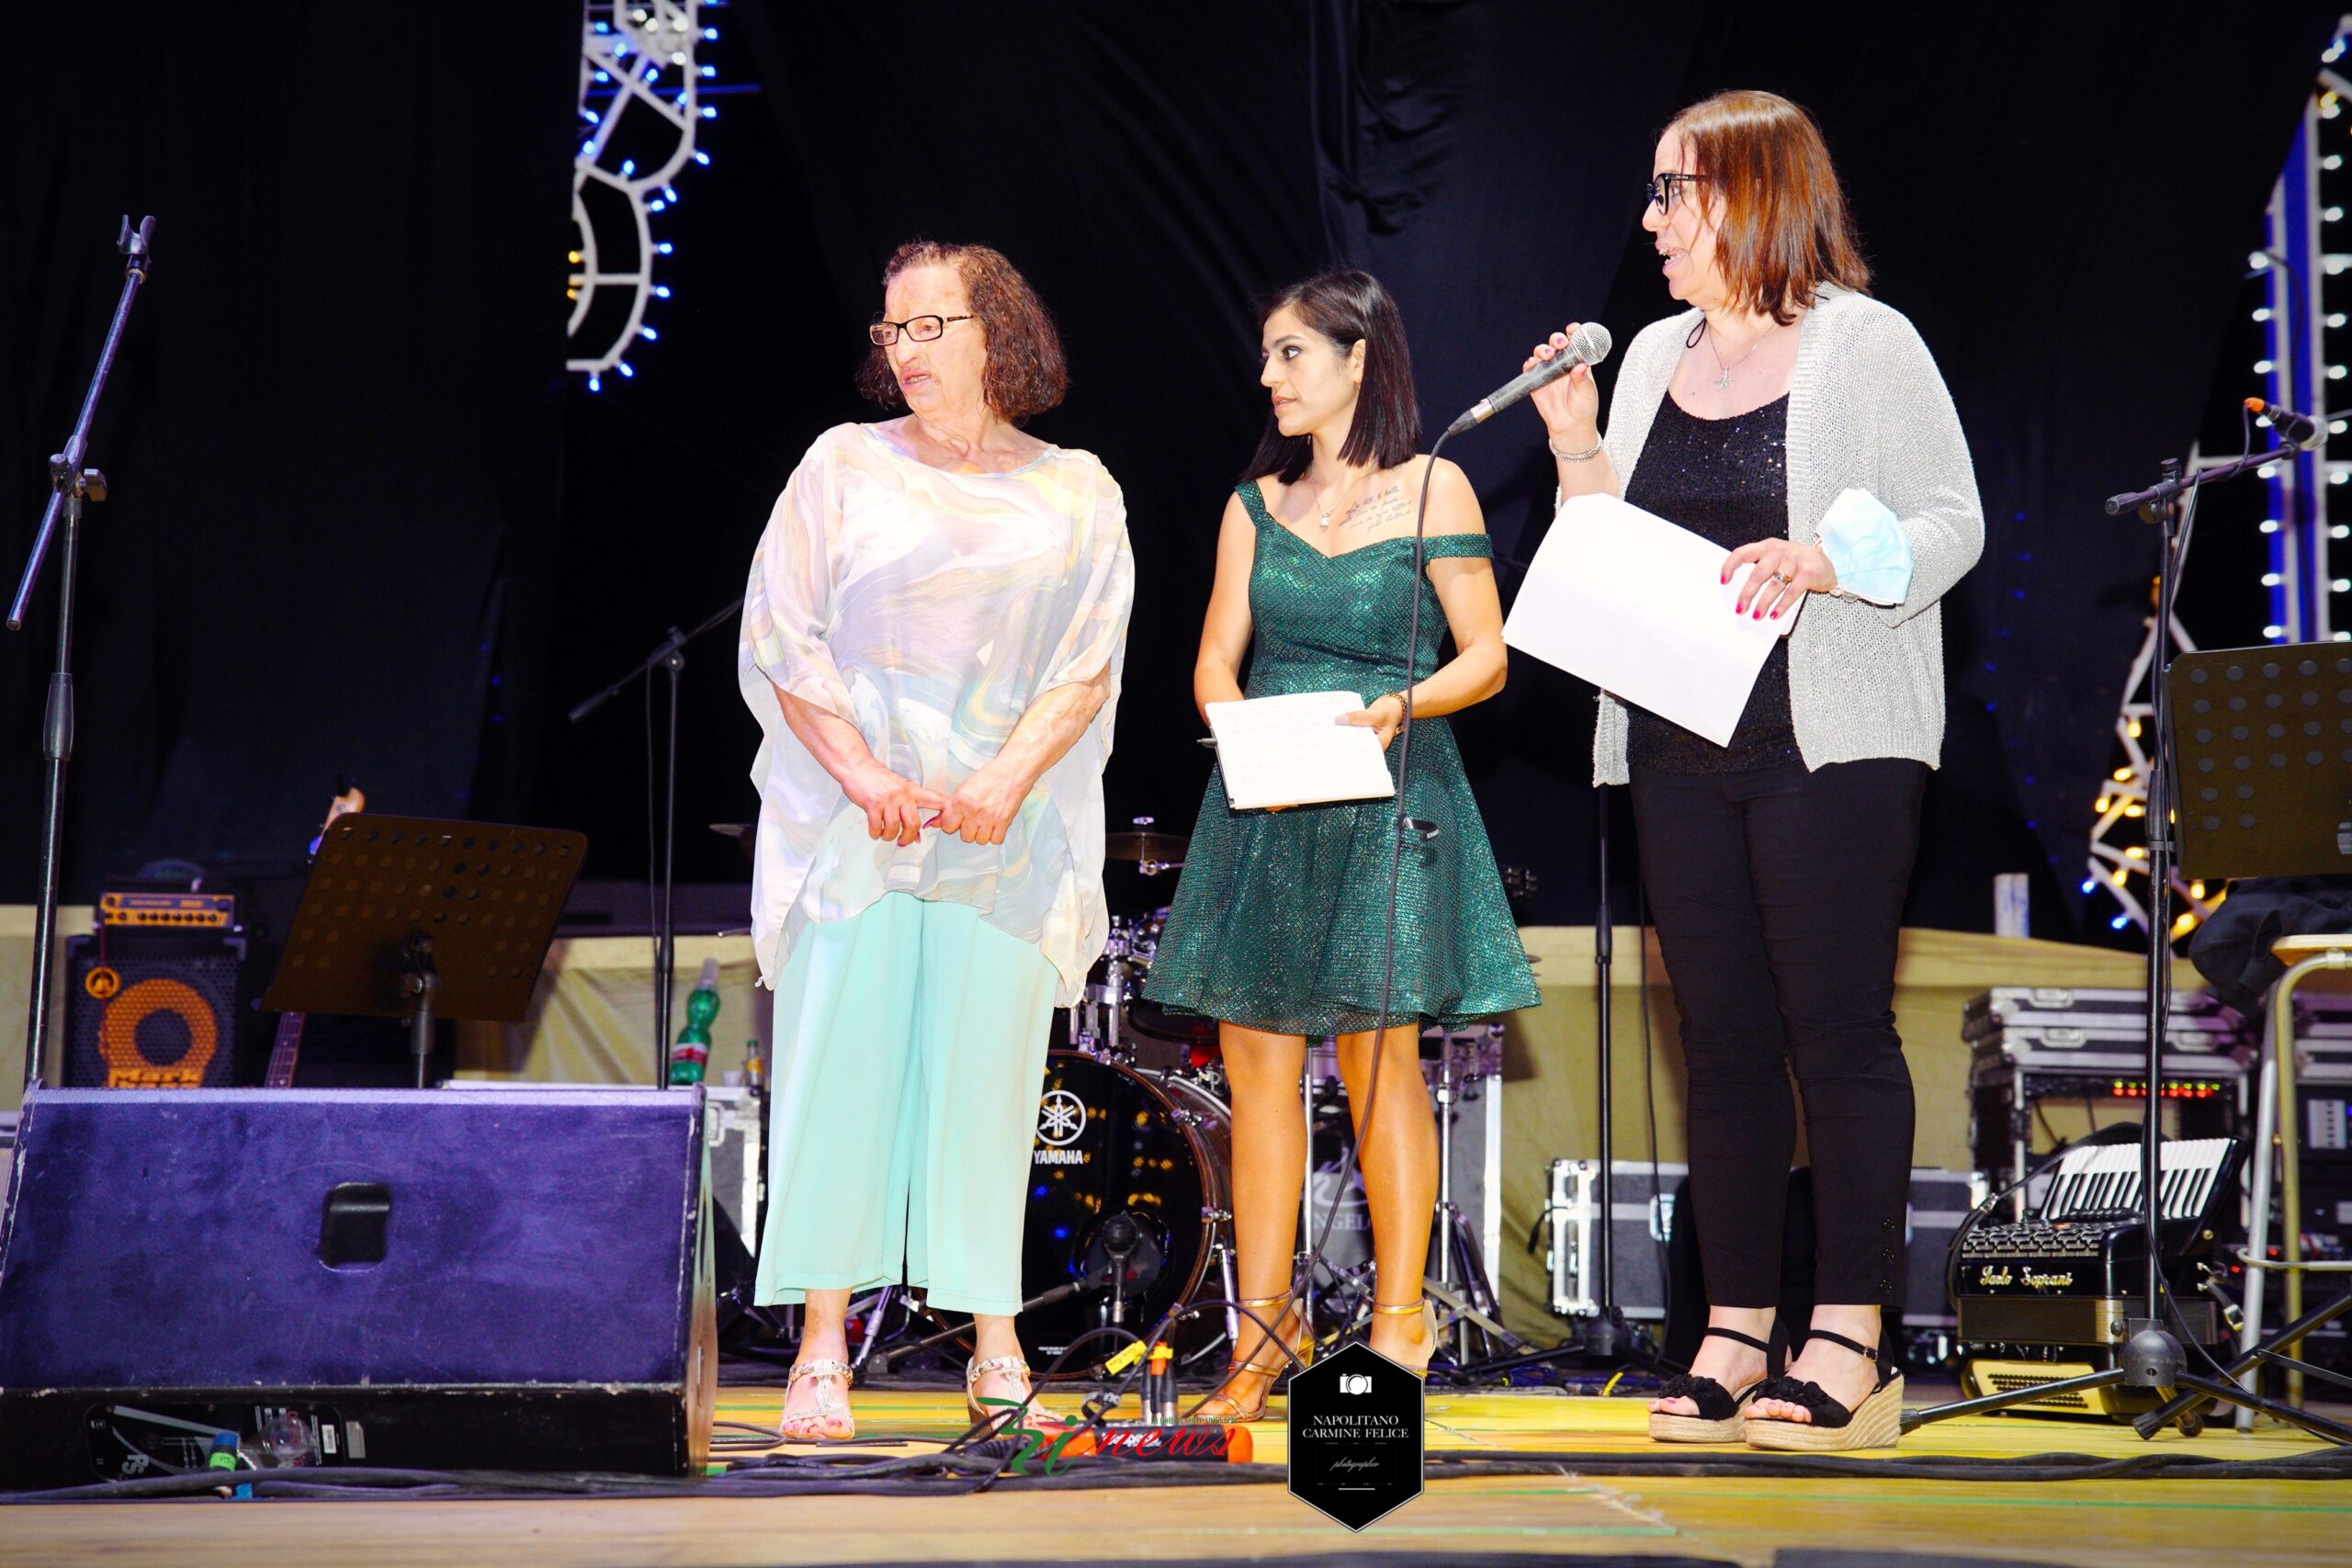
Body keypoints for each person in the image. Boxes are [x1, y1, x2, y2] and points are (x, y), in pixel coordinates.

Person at [1528, 90, 1982, 1450]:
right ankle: (1733, 1328)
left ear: (1750, 194)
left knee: (1834, 1032)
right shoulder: (1648, 354)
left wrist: (1827, 562)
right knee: (1720, 1041)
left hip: (1830, 740)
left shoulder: (1865, 343)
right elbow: (1607, 546)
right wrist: (1574, 441)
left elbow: (1952, 519)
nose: (1651, 219)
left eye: (1672, 190)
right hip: (1678, 742)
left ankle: (1851, 1335)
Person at [738, 240, 1134, 1442]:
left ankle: (995, 1342)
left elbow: (1087, 663)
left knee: (987, 1094)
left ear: (994, 330)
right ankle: (821, 1346)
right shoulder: (842, 466)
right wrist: (865, 778)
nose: (903, 350)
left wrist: (1005, 781)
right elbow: (783, 634)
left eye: (928, 326)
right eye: (891, 330)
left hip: (1005, 840)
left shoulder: (1077, 490)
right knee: (836, 1080)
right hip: (858, 833)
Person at [1144, 269, 1539, 1422]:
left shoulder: (1432, 485)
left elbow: (1487, 656)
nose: (1268, 375)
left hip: (1388, 790)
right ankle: (1261, 1337)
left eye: (1291, 353)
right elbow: (1213, 656)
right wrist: (1235, 724)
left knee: (1378, 1064)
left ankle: (1398, 1324)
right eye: (1266, 355)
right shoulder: (1253, 505)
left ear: (1357, 358)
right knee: (1256, 1066)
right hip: (1268, 800)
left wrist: (1401, 705)